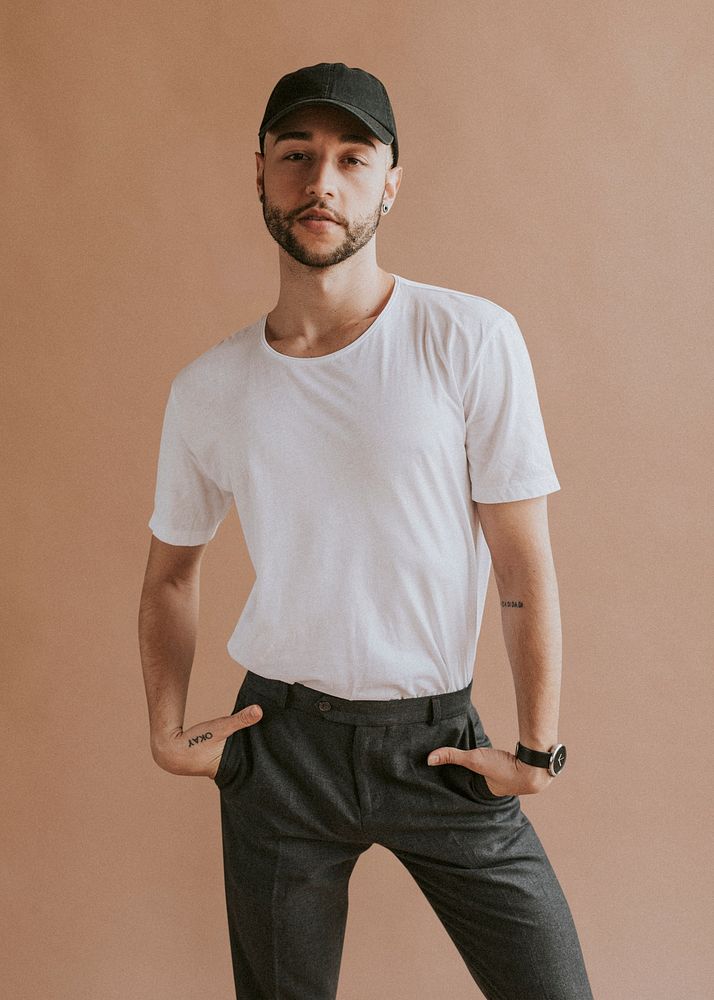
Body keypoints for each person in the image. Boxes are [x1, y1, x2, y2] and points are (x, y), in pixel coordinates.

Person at [139, 62, 595, 1000]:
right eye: (297, 156)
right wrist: (164, 731)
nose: (322, 183)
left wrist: (538, 745)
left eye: (353, 158)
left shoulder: (468, 339)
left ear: (391, 182)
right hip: (281, 747)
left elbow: (520, 561)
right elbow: (171, 576)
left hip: (438, 745)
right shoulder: (211, 388)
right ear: (259, 172)